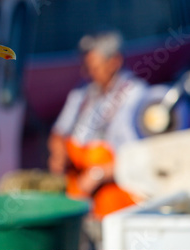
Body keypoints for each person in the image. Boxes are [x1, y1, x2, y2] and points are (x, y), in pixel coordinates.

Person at [48, 31, 147, 219]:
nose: (87, 73)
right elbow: (58, 133)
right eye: (86, 66)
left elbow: (142, 154)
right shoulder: (82, 94)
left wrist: (97, 175)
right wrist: (59, 154)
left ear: (114, 61)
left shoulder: (137, 96)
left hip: (117, 197)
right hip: (78, 193)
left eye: (94, 67)